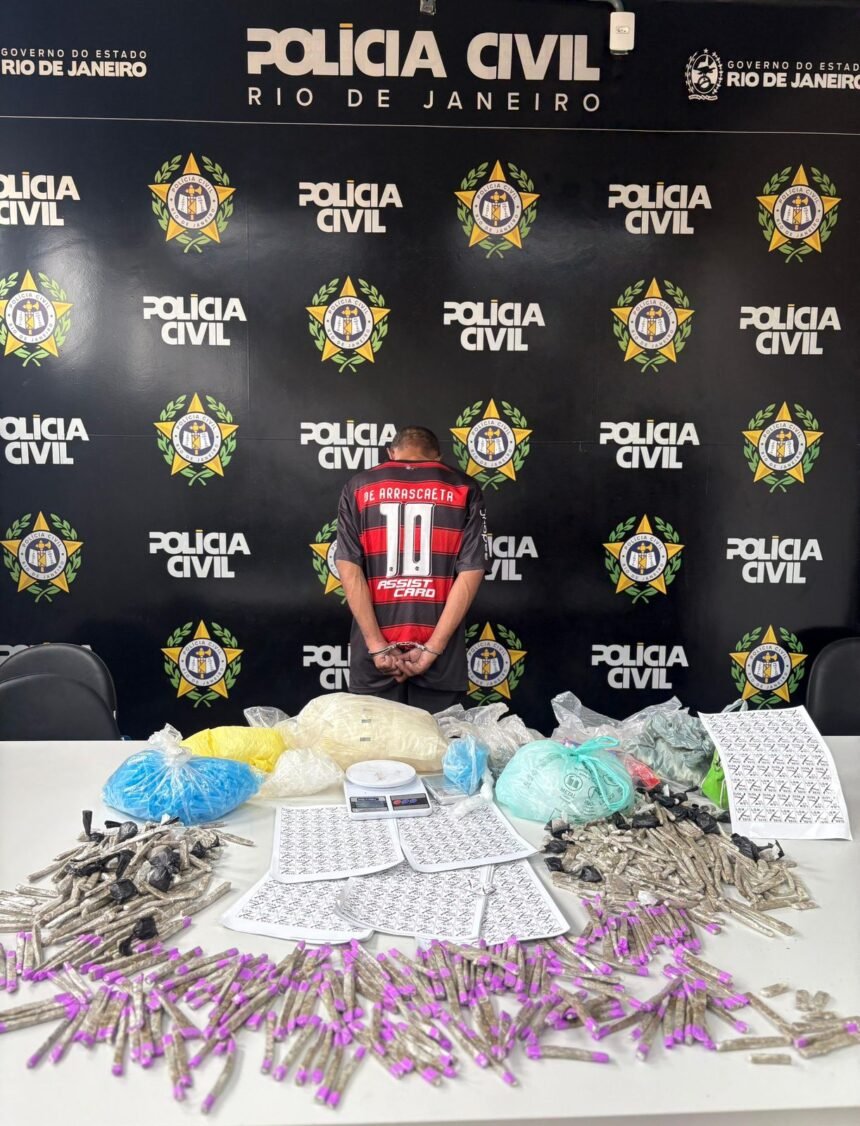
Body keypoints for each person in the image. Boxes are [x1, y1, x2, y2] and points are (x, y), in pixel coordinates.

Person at [335, 425, 487, 713]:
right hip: (440, 653)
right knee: (437, 740)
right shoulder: (464, 487)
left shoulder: (358, 486)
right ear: (438, 457)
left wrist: (377, 645)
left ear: (391, 453)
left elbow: (348, 567)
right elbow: (472, 571)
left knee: (374, 741)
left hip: (374, 652)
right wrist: (433, 648)